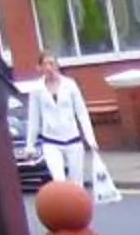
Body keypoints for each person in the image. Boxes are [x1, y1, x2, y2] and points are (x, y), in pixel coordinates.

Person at [19, 55, 95, 188]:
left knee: (76, 182)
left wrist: (90, 138)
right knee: (59, 181)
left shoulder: (70, 85)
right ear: (40, 68)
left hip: (73, 140)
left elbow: (81, 113)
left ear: (57, 65)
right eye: (45, 64)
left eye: (51, 63)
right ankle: (64, 208)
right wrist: (29, 145)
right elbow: (34, 119)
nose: (49, 68)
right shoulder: (37, 89)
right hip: (51, 142)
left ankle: (76, 208)